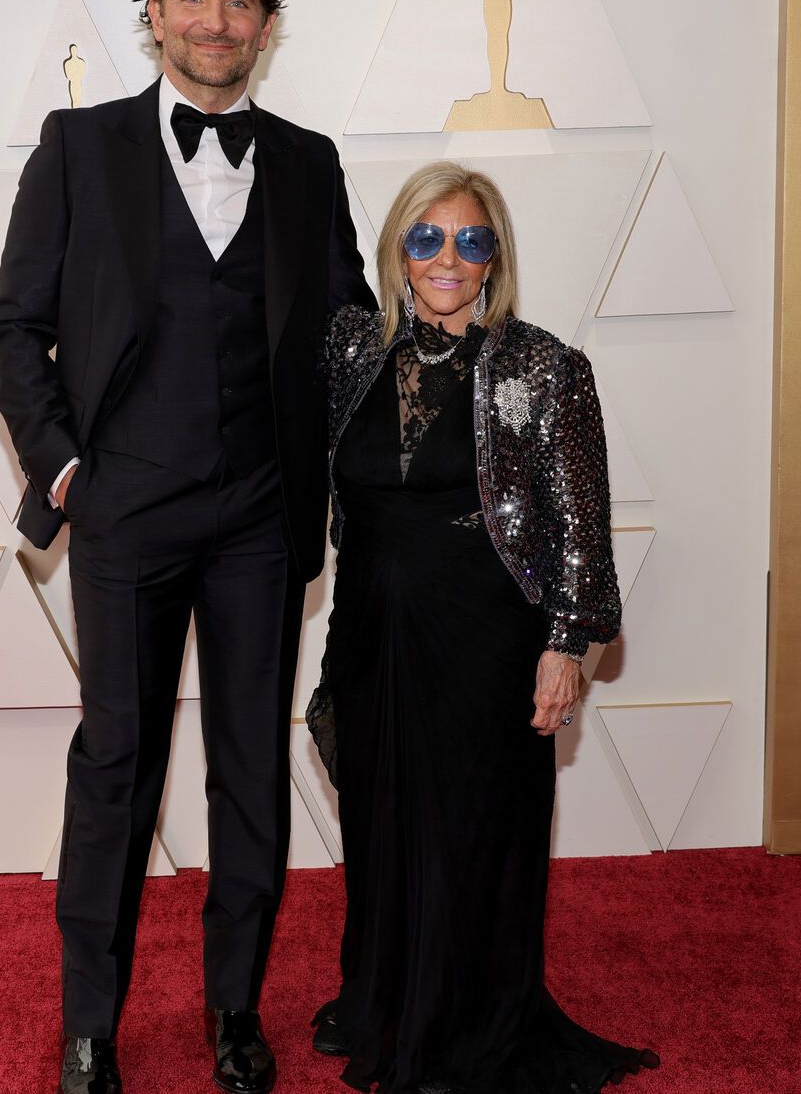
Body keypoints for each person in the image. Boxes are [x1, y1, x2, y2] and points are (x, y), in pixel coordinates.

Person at [0, 0, 374, 1094]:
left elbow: (348, 330)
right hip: (126, 511)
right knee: (117, 761)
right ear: (155, 16)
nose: (217, 21)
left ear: (267, 25)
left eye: (241, 2)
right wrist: (64, 472)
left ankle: (233, 1009)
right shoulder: (77, 146)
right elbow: (18, 328)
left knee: (248, 763)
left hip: (260, 514)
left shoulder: (306, 162)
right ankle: (90, 1026)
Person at [306, 162, 660, 1093]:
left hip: (488, 637)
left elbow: (581, 524)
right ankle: (387, 999)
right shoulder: (350, 351)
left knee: (475, 833)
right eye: (426, 238)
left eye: (471, 239)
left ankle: (471, 1027)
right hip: (372, 629)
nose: (447, 259)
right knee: (382, 828)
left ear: (495, 255)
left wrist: (567, 648)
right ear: (397, 251)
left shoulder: (545, 366)